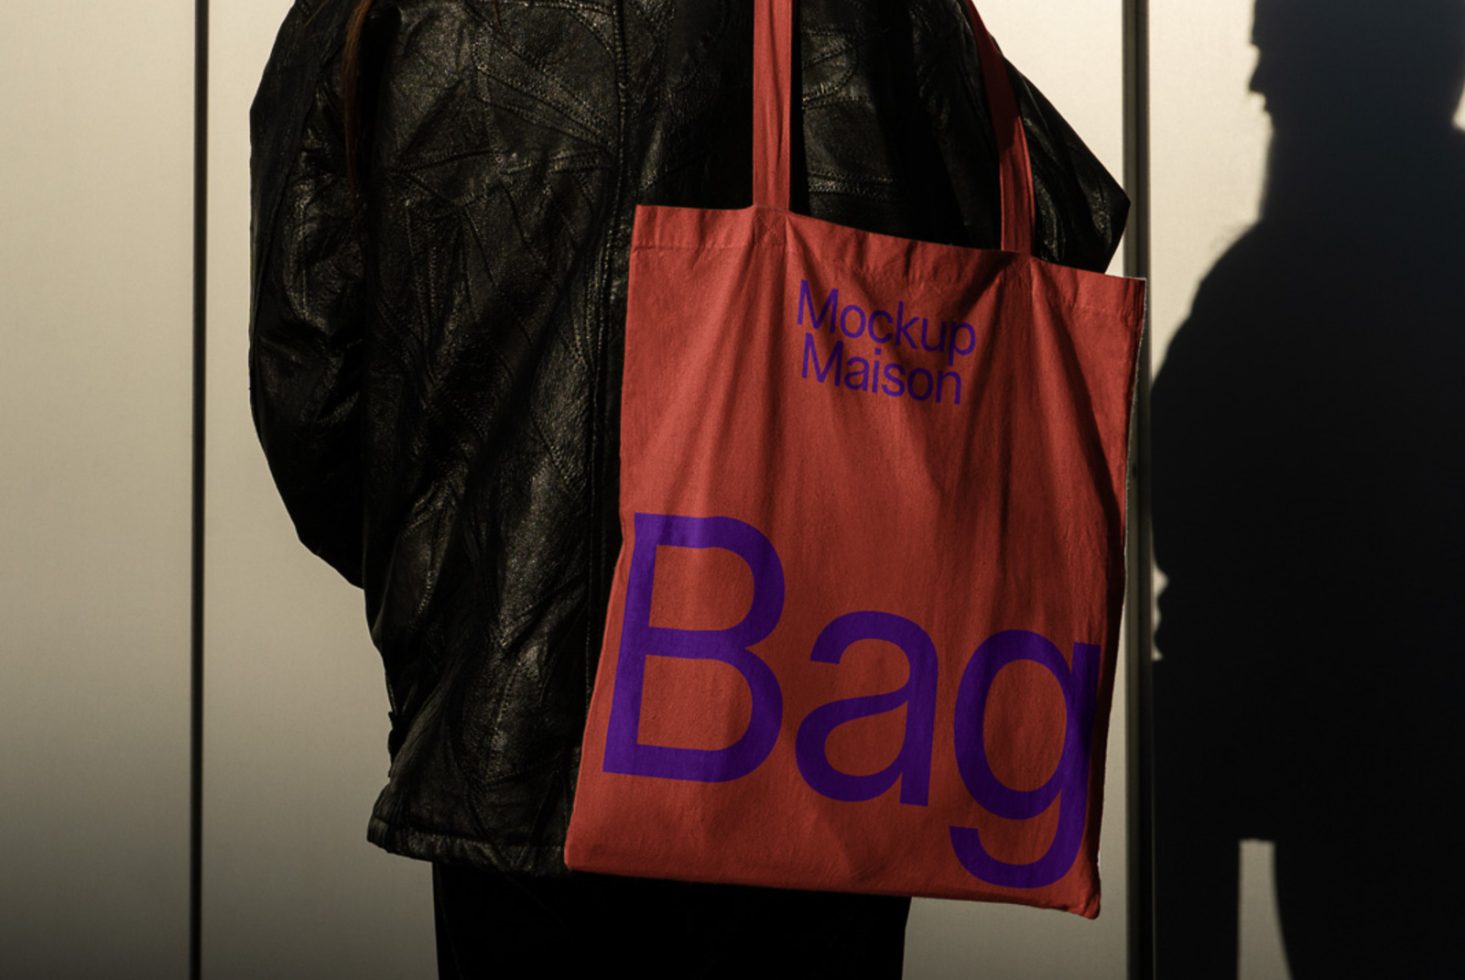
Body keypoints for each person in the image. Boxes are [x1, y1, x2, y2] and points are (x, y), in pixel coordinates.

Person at [248, 0, 1128, 975]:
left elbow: (311, 387)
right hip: (829, 710)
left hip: (517, 734)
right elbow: (1051, 229)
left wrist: (464, 595)